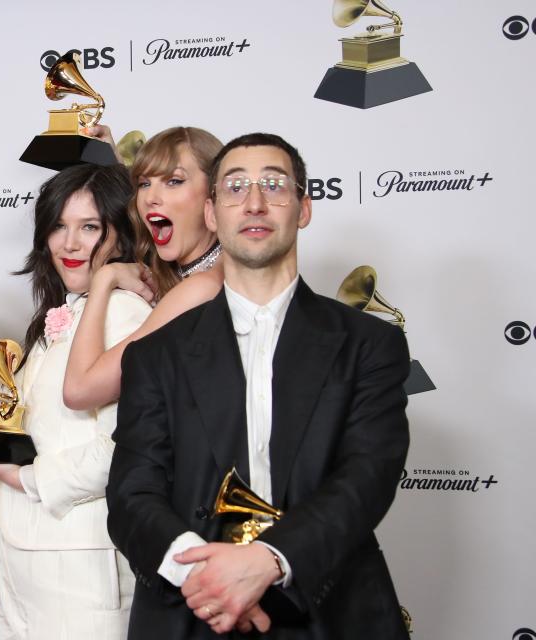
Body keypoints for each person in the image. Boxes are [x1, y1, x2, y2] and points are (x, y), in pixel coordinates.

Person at [106, 133, 411, 638]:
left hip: (330, 610)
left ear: (304, 208)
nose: (253, 202)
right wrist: (209, 578)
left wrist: (270, 561)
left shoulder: (369, 344)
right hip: (192, 610)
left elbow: (367, 476)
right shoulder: (155, 354)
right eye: (234, 188)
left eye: (274, 185)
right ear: (211, 213)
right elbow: (132, 494)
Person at [0, 163, 152, 639]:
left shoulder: (127, 313)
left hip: (84, 570)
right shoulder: (55, 320)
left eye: (89, 227)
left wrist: (27, 478)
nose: (69, 244)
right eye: (59, 227)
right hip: (24, 567)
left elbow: (127, 447)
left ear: (121, 232)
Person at [63, 126, 226, 410]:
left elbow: (80, 391)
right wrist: (112, 162)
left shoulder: (202, 288)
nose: (150, 198)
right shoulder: (196, 270)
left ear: (214, 193)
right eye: (144, 183)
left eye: (174, 181)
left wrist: (104, 280)